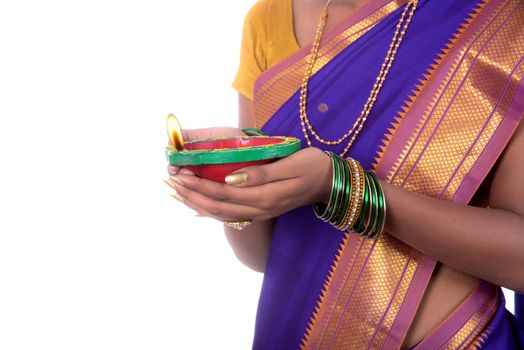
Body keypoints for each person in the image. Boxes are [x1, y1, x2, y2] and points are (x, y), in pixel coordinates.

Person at [166, 0, 524, 348]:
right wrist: (234, 187)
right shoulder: (269, 20)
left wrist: (340, 187)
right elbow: (261, 257)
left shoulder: (493, 19)